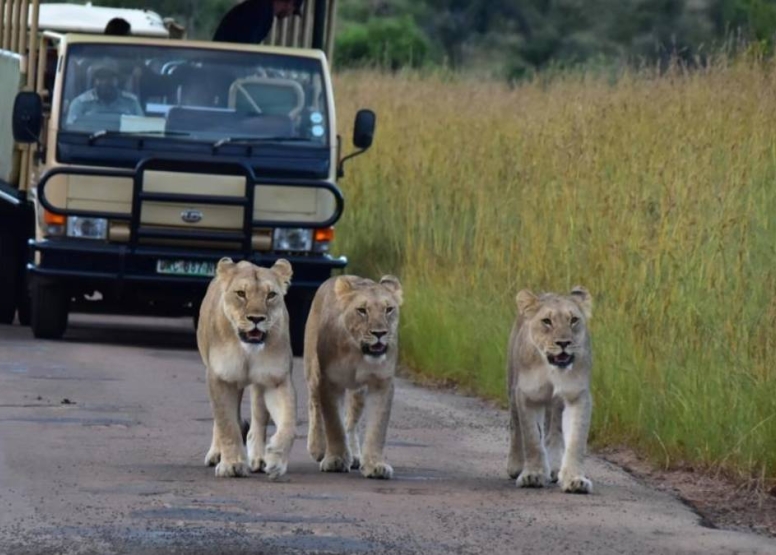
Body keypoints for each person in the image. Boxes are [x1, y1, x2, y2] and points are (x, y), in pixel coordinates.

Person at [66, 60, 144, 126]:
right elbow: (71, 131)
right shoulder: (80, 103)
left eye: (110, 77)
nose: (105, 82)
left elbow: (141, 129)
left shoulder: (131, 102)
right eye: (101, 78)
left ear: (118, 80)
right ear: (94, 81)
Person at [212, 0, 303, 45]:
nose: (290, 15)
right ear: (290, 3)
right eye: (294, 11)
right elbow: (248, 47)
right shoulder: (260, 12)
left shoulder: (261, 8)